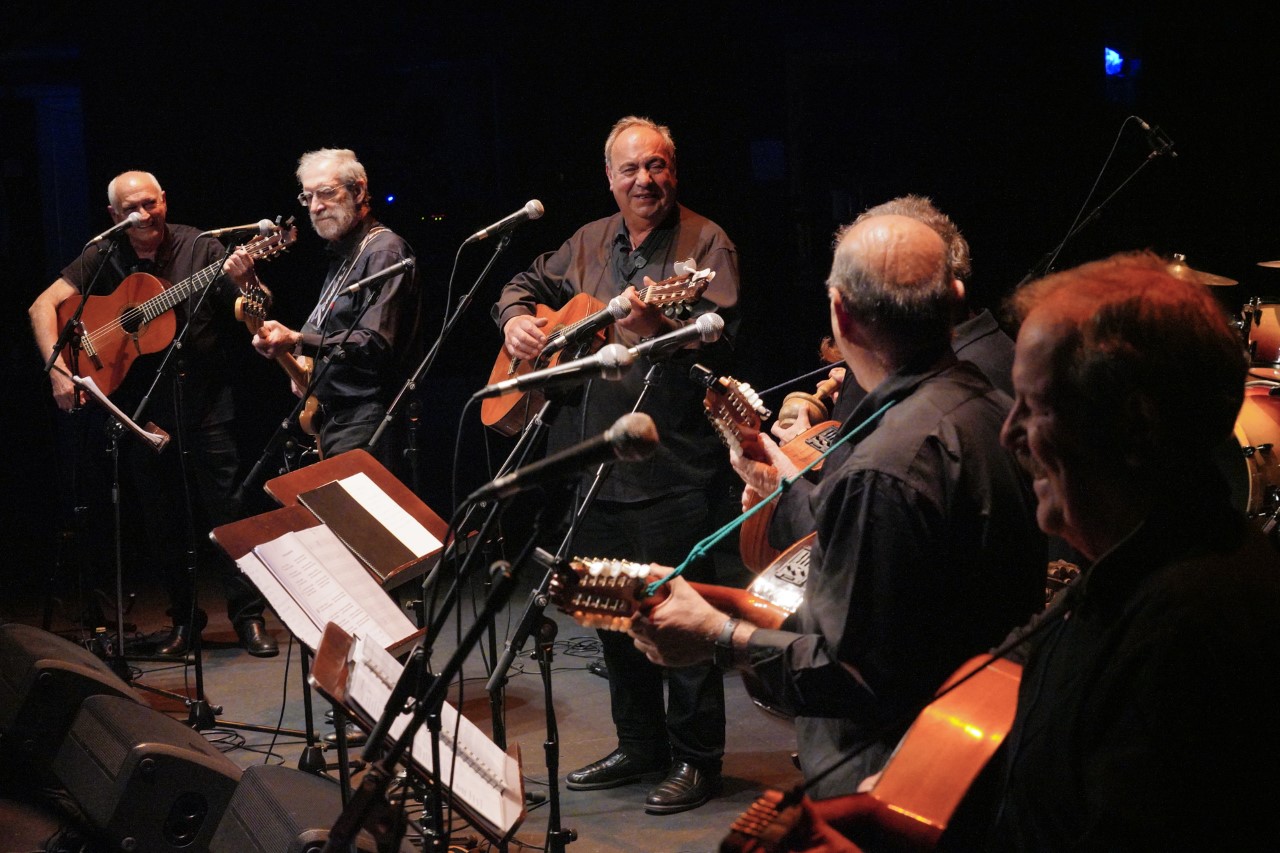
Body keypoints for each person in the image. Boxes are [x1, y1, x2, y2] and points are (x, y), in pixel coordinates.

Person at [629, 212, 1045, 799]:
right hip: (978, 760)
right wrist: (776, 489)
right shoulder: (992, 414)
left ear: (841, 313)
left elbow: (849, 674)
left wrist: (717, 637)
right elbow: (903, 620)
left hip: (889, 780)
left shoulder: (886, 466)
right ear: (953, 298)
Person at [493, 116, 740, 814]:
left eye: (658, 166)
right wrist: (514, 317)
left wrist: (652, 322)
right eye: (631, 169)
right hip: (590, 463)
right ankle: (640, 744)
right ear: (609, 176)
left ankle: (698, 759)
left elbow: (714, 345)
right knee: (613, 617)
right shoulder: (587, 241)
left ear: (674, 172)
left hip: (670, 471)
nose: (645, 180)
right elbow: (519, 281)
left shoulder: (705, 243)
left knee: (678, 620)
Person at [28, 170, 277, 657]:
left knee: (229, 514)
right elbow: (42, 307)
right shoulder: (103, 255)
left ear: (165, 199)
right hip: (139, 414)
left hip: (205, 404)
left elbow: (257, 311)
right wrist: (58, 370)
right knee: (163, 522)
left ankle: (249, 618)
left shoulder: (203, 248)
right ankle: (185, 623)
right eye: (132, 209)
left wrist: (249, 280)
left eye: (151, 203)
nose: (144, 215)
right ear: (114, 216)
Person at [250, 148, 421, 468]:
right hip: (336, 419)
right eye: (308, 197)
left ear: (358, 190)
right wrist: (298, 354)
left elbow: (374, 342)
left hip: (369, 419)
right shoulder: (343, 255)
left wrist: (298, 340)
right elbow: (328, 324)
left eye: (326, 193)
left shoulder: (383, 251)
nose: (315, 206)